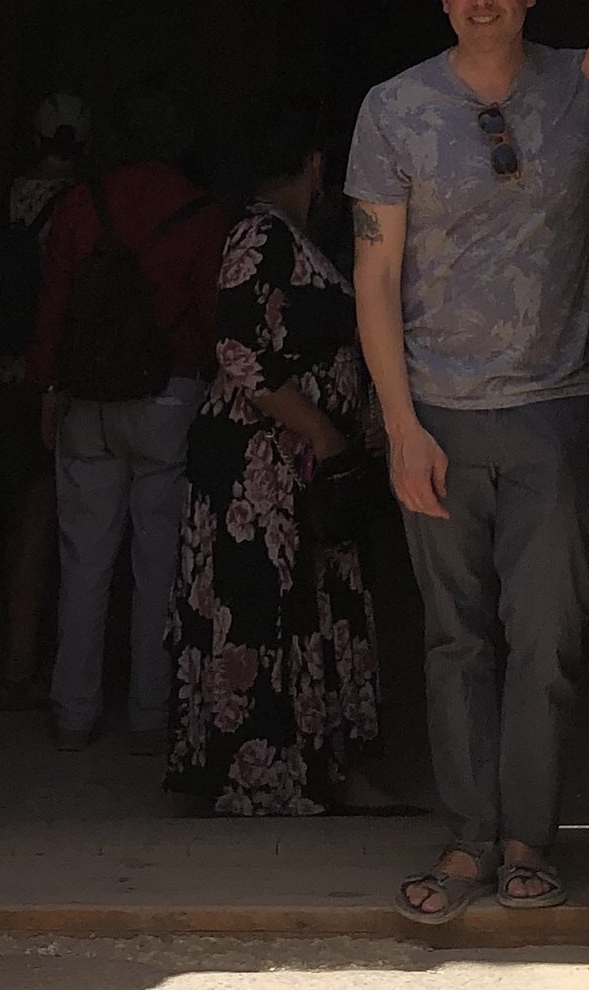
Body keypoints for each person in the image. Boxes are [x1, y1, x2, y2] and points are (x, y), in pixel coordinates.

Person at [347, 0, 589, 927]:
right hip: (441, 413)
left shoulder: (581, 94)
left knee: (545, 636)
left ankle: (527, 840)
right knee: (455, 639)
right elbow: (375, 275)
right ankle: (464, 834)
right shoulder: (397, 108)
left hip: (554, 411)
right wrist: (400, 424)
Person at [166, 105, 387, 817]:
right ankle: (265, 774)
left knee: (304, 609)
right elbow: (238, 348)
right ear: (317, 166)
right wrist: (321, 432)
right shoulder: (260, 236)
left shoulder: (289, 238)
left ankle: (317, 768)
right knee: (265, 610)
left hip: (291, 473)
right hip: (259, 473)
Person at [30, 82, 224, 755]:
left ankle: (74, 710)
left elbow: (53, 307)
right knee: (159, 564)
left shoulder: (81, 206)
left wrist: (48, 391)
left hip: (88, 401)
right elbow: (211, 318)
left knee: (83, 562)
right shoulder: (199, 214)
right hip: (170, 397)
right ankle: (151, 710)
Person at [0, 94, 92, 709]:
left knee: (15, 521)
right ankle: (23, 661)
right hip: (54, 378)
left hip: (4, 376)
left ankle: (16, 649)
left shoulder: (10, 199)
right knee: (41, 522)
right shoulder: (84, 204)